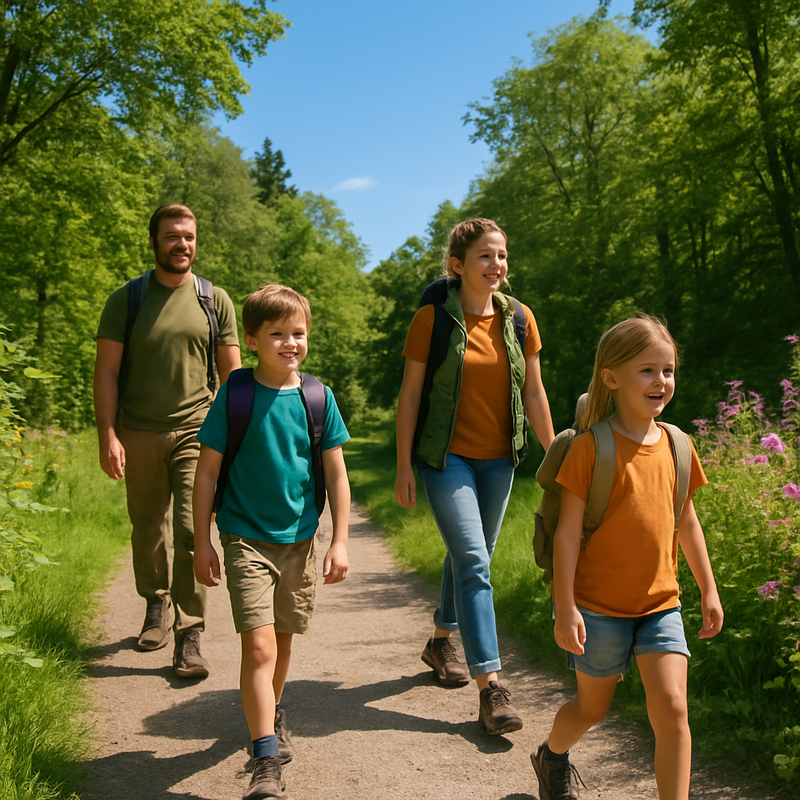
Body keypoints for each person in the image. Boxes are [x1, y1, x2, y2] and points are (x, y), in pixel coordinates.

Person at [531, 316, 724, 800]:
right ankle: (552, 754)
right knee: (592, 710)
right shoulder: (590, 448)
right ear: (611, 377)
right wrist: (567, 606)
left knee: (674, 711)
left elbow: (687, 523)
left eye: (668, 371)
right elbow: (568, 535)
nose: (661, 382)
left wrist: (709, 588)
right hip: (597, 608)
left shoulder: (679, 445)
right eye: (647, 371)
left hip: (661, 604)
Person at [395, 218, 555, 735]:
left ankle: (441, 641)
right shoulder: (431, 321)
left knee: (472, 558)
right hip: (446, 459)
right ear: (457, 265)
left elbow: (533, 392)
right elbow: (412, 397)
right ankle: (492, 689)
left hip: (500, 459)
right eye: (485, 256)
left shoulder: (520, 319)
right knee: (472, 560)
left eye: (502, 255)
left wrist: (555, 456)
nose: (497, 265)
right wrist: (403, 466)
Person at [193, 283, 351, 800]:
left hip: (301, 541)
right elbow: (206, 474)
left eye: (298, 333)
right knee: (258, 645)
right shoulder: (235, 395)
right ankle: (264, 755)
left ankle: (271, 711)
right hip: (244, 539)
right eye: (277, 334)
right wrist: (202, 541)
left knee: (281, 644)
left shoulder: (318, 397)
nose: (290, 342)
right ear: (253, 340)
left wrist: (339, 541)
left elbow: (336, 476)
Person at [94, 204, 241, 678]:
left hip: (198, 432)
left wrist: (237, 440)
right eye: (172, 236)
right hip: (138, 431)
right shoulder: (127, 299)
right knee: (146, 526)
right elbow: (107, 372)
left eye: (190, 236)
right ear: (154, 241)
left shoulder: (213, 299)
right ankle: (155, 601)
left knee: (191, 528)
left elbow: (233, 376)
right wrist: (108, 435)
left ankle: (190, 631)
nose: (182, 244)